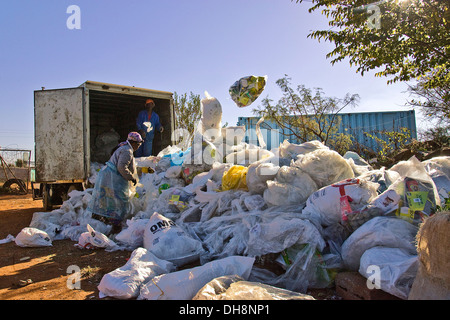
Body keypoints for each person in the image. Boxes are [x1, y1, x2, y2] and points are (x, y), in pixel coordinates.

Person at [88, 132, 143, 234]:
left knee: (108, 199)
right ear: (134, 143)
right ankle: (115, 226)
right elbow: (121, 167)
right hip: (111, 178)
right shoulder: (127, 151)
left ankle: (103, 221)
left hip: (109, 176)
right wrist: (132, 178)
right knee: (118, 200)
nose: (139, 146)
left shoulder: (124, 148)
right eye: (139, 144)